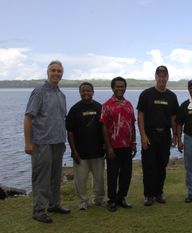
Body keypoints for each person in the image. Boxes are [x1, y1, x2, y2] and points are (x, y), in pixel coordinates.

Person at [24, 60, 70, 224]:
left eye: (59, 71)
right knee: (41, 178)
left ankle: (54, 204)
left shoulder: (61, 95)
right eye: (53, 70)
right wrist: (28, 143)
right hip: (41, 143)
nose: (56, 73)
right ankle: (38, 210)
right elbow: (28, 117)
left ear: (62, 74)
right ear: (47, 72)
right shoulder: (39, 92)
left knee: (55, 177)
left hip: (58, 143)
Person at [137, 65, 179, 206]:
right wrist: (142, 135)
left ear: (167, 77)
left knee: (162, 164)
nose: (162, 78)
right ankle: (148, 195)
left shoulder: (172, 96)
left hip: (165, 135)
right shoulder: (146, 94)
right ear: (155, 77)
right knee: (149, 165)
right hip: (150, 134)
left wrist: (175, 134)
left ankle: (158, 192)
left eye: (164, 75)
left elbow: (174, 117)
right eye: (159, 75)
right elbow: (140, 116)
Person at [66, 82, 105, 210]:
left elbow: (104, 128)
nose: (86, 93)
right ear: (80, 92)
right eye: (83, 91)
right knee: (80, 180)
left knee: (99, 179)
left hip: (98, 151)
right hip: (80, 153)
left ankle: (98, 199)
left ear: (93, 92)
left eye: (88, 91)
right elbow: (70, 132)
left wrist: (106, 145)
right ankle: (83, 202)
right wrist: (74, 151)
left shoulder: (99, 107)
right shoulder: (74, 109)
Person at [100, 77, 136, 212]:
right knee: (112, 175)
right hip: (113, 147)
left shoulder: (129, 105)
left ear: (125, 88)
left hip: (127, 146)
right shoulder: (107, 105)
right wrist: (108, 146)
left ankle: (121, 198)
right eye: (117, 86)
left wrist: (134, 142)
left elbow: (132, 124)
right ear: (113, 88)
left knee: (126, 174)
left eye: (122, 86)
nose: (120, 89)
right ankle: (112, 200)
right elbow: (103, 127)